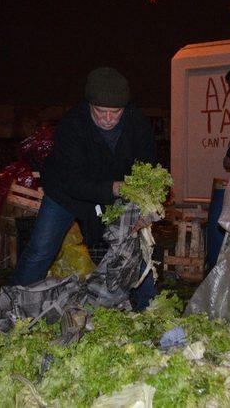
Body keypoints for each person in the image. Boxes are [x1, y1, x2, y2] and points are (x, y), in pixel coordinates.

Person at [11, 67, 157, 310]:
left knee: (137, 248)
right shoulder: (72, 124)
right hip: (65, 194)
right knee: (41, 249)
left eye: (116, 112)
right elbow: (71, 180)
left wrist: (144, 208)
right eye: (101, 112)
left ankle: (150, 310)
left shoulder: (138, 124)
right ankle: (14, 305)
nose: (109, 119)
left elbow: (150, 169)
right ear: (89, 105)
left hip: (114, 194)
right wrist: (114, 188)